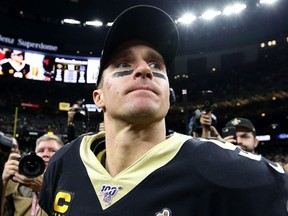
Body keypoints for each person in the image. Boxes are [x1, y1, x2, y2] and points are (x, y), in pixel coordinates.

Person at [39, 5, 288, 216]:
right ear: (99, 97)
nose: (145, 70)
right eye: (124, 63)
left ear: (168, 96)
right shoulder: (65, 161)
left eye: (156, 64)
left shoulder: (225, 167)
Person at [1, 134, 63, 216]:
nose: (45, 154)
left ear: (63, 155)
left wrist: (43, 190)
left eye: (52, 150)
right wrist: (3, 182)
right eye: (40, 150)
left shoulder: (69, 181)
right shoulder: (18, 180)